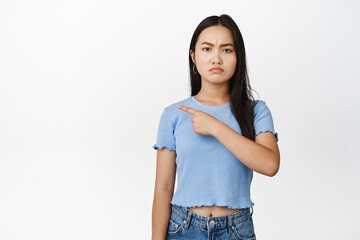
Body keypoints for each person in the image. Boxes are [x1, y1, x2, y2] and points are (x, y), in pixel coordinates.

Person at [152, 14, 280, 240]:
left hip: (236, 230)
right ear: (193, 56)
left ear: (238, 56)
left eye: (227, 50)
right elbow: (163, 187)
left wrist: (216, 127)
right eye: (207, 49)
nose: (216, 58)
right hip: (183, 228)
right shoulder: (173, 114)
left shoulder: (256, 111)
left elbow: (270, 164)